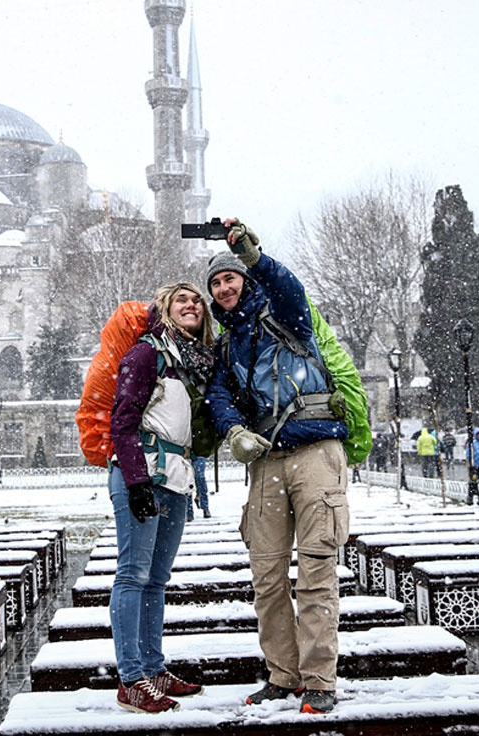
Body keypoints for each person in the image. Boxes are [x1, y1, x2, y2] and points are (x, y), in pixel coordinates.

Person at [204, 218, 348, 715]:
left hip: (313, 452)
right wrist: (232, 429)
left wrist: (251, 254)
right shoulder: (227, 345)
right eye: (216, 283)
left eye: (230, 278)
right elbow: (218, 395)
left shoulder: (284, 315)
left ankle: (319, 678)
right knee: (266, 575)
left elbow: (290, 285)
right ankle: (282, 675)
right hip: (265, 458)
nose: (224, 288)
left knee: (315, 571)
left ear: (244, 279)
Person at [108, 281, 216, 713]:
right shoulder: (145, 354)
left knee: (156, 580)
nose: (192, 305)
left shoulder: (194, 363)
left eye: (197, 301)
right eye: (182, 300)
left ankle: (153, 668)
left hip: (176, 478)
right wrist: (135, 483)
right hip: (144, 474)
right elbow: (123, 421)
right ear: (166, 310)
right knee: (132, 575)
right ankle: (130, 678)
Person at [186, 455, 211, 520]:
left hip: (199, 453)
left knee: (200, 478)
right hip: (186, 452)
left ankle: (205, 508)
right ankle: (189, 511)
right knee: (188, 480)